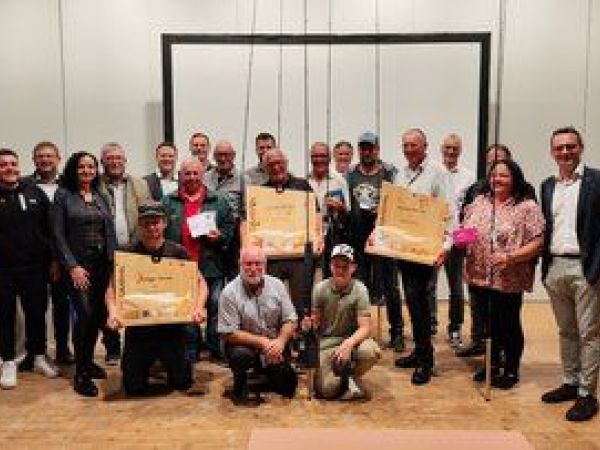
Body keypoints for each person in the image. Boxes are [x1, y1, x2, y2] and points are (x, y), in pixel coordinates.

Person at [105, 201, 208, 396]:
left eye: (156, 222)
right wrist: (113, 312)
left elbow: (201, 283)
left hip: (171, 329)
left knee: (182, 383)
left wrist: (198, 307)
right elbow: (112, 288)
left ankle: (171, 364)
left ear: (164, 223)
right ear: (139, 224)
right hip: (139, 330)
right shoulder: (127, 254)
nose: (152, 227)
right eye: (146, 223)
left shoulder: (178, 252)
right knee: (133, 388)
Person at [463, 158, 544, 389]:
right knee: (487, 324)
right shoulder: (480, 201)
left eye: (503, 175)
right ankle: (492, 365)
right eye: (493, 175)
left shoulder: (527, 207)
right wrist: (458, 240)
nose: (496, 179)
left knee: (507, 323)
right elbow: (467, 230)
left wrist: (511, 257)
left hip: (509, 277)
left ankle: (510, 369)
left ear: (515, 179)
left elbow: (538, 242)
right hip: (478, 274)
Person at [540, 126, 600, 422]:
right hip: (555, 267)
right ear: (552, 152)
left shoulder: (596, 180)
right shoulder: (547, 185)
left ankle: (587, 395)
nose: (565, 152)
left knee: (589, 333)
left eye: (570, 146)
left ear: (581, 147)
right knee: (566, 330)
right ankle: (571, 382)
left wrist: (597, 268)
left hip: (585, 267)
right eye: (559, 147)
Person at [54, 151, 117, 397]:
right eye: (82, 167)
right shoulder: (63, 195)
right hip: (79, 266)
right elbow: (58, 234)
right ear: (73, 169)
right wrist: (72, 266)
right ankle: (81, 374)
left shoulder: (101, 194)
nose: (87, 171)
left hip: (102, 264)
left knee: (98, 316)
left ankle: (88, 361)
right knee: (85, 315)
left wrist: (114, 262)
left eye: (91, 167)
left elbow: (109, 230)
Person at [392, 128, 452, 385]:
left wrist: (445, 246)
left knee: (421, 306)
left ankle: (426, 361)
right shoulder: (400, 174)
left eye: (413, 145)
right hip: (404, 249)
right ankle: (418, 351)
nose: (408, 149)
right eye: (405, 145)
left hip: (426, 250)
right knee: (412, 302)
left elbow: (449, 211)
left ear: (425, 147)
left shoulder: (438, 172)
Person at [163, 158, 234, 361]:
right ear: (180, 176)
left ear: (203, 175)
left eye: (196, 173)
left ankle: (215, 347)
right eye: (187, 173)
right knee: (187, 308)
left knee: (215, 306)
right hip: (180, 266)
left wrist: (219, 237)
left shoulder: (219, 201)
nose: (192, 177)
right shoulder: (168, 201)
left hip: (211, 265)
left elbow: (229, 232)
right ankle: (191, 350)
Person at [0, 149, 58, 389]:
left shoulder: (34, 192)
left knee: (36, 313)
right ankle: (8, 361)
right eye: (3, 165)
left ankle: (38, 356)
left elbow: (50, 229)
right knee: (5, 316)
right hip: (3, 269)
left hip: (35, 267)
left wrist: (53, 261)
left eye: (13, 163)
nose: (9, 168)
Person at [346, 131, 404, 353]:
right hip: (358, 237)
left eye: (370, 148)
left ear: (377, 149)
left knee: (391, 287)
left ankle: (397, 332)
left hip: (384, 237)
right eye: (363, 148)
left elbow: (399, 199)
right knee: (359, 286)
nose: (366, 151)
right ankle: (359, 332)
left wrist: (383, 208)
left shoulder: (390, 172)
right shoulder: (350, 173)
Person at [218, 246, 298, 404]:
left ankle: (266, 371)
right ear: (240, 265)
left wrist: (281, 342)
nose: (253, 269)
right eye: (248, 264)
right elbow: (228, 333)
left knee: (288, 386)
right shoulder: (229, 293)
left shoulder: (277, 285)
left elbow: (291, 319)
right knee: (240, 355)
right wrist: (262, 342)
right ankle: (240, 381)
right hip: (245, 346)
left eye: (258, 263)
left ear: (265, 265)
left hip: (274, 346)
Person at [306, 244, 381, 400]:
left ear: (353, 268)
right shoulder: (319, 289)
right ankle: (346, 380)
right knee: (326, 390)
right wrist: (308, 324)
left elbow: (366, 328)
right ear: (330, 266)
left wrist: (349, 343)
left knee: (370, 352)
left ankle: (351, 375)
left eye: (345, 267)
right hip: (326, 344)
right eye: (336, 266)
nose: (340, 270)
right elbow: (315, 322)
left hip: (353, 341)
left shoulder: (360, 290)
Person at [22, 141, 74, 364]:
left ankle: (63, 349)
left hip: (64, 255)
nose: (45, 160)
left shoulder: (69, 185)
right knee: (35, 307)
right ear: (34, 160)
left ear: (58, 159)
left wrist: (60, 258)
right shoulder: (23, 185)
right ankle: (36, 352)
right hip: (34, 257)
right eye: (40, 156)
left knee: (62, 305)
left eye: (49, 156)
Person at [99, 142, 150, 364]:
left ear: (125, 161)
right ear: (103, 162)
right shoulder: (95, 184)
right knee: (107, 300)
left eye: (118, 158)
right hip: (105, 253)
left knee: (136, 300)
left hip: (135, 252)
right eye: (110, 158)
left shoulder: (140, 184)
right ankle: (112, 347)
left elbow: (148, 214)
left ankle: (136, 346)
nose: (114, 162)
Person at [250, 148, 317, 317]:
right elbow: (253, 223)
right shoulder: (260, 192)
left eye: (279, 163)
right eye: (271, 164)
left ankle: (303, 331)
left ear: (286, 164)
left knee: (302, 301)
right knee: (271, 300)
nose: (276, 167)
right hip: (272, 256)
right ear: (264, 168)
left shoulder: (302, 185)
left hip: (299, 255)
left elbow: (315, 214)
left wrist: (318, 237)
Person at [431, 134, 475, 347]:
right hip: (433, 235)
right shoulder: (432, 172)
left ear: (460, 151)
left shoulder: (469, 177)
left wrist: (465, 237)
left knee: (456, 287)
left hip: (457, 237)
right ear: (441, 149)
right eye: (447, 148)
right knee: (429, 284)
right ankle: (430, 324)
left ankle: (455, 328)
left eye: (455, 148)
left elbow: (471, 210)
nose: (450, 152)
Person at [307, 142, 351, 278]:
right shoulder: (304, 181)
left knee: (330, 276)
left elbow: (348, 211)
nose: (319, 159)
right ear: (310, 158)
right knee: (307, 277)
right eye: (315, 156)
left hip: (332, 234)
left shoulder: (339, 181)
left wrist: (340, 207)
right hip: (310, 236)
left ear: (330, 158)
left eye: (323, 156)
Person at [204, 140, 243, 281]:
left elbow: (247, 211)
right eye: (219, 155)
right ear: (214, 156)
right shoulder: (204, 177)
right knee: (213, 279)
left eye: (226, 154)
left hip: (234, 237)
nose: (222, 158)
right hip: (208, 235)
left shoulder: (243, 179)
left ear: (233, 156)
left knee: (234, 277)